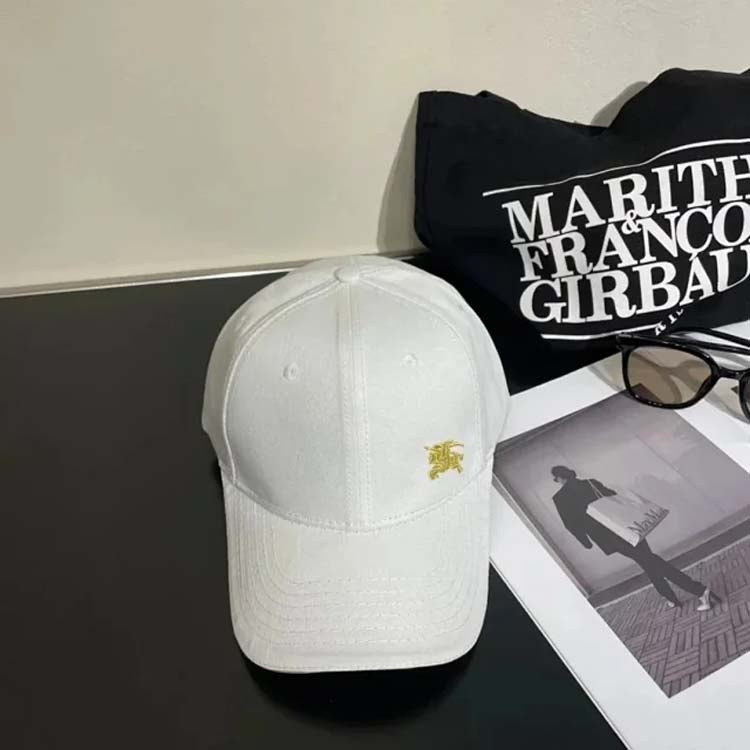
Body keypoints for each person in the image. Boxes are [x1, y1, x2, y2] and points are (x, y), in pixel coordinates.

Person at [550, 465, 714, 611]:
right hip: (629, 528)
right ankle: (670, 597)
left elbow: (570, 524)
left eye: (555, 479)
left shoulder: (560, 498)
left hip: (609, 537)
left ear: (559, 478)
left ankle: (699, 590)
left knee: (650, 562)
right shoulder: (591, 483)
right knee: (648, 561)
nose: (556, 481)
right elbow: (615, 498)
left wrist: (586, 542)